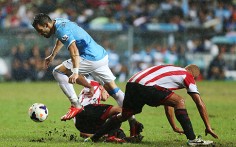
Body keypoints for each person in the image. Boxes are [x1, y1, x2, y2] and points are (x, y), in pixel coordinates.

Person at [31, 13, 142, 137]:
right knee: (114, 91)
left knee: (58, 72)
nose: (40, 33)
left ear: (47, 25)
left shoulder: (61, 29)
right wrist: (53, 55)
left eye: (40, 30)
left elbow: (74, 49)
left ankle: (76, 104)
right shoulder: (58, 22)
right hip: (101, 56)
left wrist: (75, 71)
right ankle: (133, 122)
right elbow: (61, 39)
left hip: (90, 57)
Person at [85, 64, 219, 146]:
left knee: (125, 115)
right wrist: (208, 126)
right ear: (193, 76)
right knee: (180, 101)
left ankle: (95, 138)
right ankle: (192, 139)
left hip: (132, 83)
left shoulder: (171, 70)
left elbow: (168, 103)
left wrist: (174, 126)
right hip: (147, 87)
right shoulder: (187, 76)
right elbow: (199, 103)